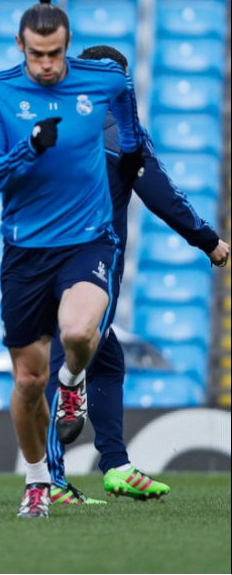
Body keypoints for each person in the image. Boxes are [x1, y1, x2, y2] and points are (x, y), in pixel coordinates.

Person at [0, 0, 144, 518]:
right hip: (24, 250)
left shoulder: (105, 81)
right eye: (36, 54)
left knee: (77, 333)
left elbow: (130, 127)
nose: (46, 65)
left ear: (68, 45)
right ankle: (36, 480)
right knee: (27, 382)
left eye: (55, 53)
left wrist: (132, 154)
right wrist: (29, 147)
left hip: (88, 239)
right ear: (20, 46)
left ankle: (72, 383)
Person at [45, 45, 230, 506]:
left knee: (106, 359)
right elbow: (162, 194)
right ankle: (48, 480)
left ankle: (115, 465)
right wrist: (209, 241)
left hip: (39, 261)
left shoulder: (53, 125)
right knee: (65, 360)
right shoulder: (120, 133)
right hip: (88, 268)